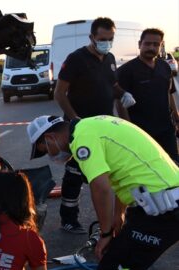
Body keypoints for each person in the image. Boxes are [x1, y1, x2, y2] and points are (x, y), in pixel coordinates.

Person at [28, 115, 179, 270]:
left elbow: (101, 187)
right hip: (154, 206)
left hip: (164, 211)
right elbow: (120, 174)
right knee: (128, 269)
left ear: (50, 137)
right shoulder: (92, 126)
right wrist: (119, 215)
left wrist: (105, 234)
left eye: (44, 148)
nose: (50, 155)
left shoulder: (82, 139)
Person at [52, 17, 135, 234]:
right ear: (91, 37)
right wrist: (75, 119)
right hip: (80, 126)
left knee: (105, 172)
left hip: (104, 128)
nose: (106, 43)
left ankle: (113, 219)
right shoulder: (76, 59)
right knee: (75, 173)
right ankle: (68, 219)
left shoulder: (110, 58)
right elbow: (59, 93)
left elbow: (112, 84)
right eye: (102, 39)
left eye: (110, 39)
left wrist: (123, 94)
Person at [116, 28, 179, 161]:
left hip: (167, 129)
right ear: (140, 44)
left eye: (156, 44)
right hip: (141, 131)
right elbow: (120, 102)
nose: (151, 47)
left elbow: (169, 92)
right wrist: (129, 129)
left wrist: (176, 117)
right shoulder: (126, 71)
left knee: (173, 166)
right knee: (148, 169)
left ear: (161, 46)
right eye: (147, 43)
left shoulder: (164, 67)